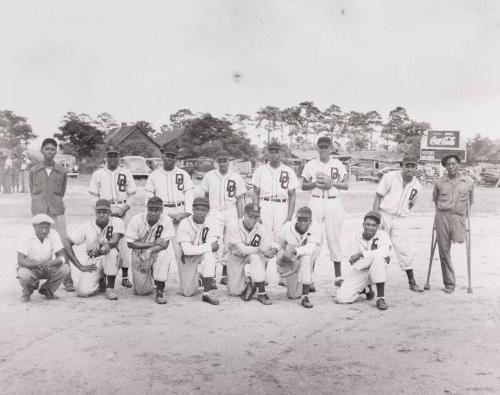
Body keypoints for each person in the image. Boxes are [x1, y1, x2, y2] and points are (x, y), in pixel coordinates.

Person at [301, 136, 349, 288]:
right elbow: (303, 186)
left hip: (333, 201)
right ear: (317, 148)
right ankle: (310, 277)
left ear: (330, 149)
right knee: (314, 237)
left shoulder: (338, 164)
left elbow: (346, 185)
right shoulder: (310, 164)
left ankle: (338, 276)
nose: (323, 150)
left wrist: (331, 183)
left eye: (326, 147)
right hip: (316, 200)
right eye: (321, 147)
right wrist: (316, 183)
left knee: (333, 236)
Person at [29, 138, 75, 291]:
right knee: (36, 244)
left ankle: (68, 280)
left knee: (63, 244)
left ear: (56, 151)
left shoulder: (61, 170)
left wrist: (53, 204)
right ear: (42, 150)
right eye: (47, 148)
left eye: (52, 149)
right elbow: (32, 191)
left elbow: (62, 192)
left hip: (57, 212)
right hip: (39, 212)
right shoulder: (34, 170)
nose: (50, 151)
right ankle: (33, 278)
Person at [88, 145, 138, 289]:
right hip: (105, 209)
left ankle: (125, 275)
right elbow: (92, 195)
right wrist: (103, 210)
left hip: (122, 208)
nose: (112, 158)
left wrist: (125, 207)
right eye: (110, 155)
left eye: (115, 155)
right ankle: (102, 276)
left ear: (119, 157)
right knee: (103, 240)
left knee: (123, 243)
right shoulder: (98, 173)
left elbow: (133, 193)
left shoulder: (126, 172)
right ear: (106, 157)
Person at [372, 153, 423, 292]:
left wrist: (402, 211)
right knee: (379, 247)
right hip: (385, 215)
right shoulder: (390, 177)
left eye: (413, 166)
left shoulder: (417, 186)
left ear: (416, 168)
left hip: (401, 219)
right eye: (407, 166)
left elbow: (411, 204)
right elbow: (378, 196)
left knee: (403, 249)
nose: (410, 169)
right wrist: (374, 216)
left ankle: (411, 281)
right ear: (402, 166)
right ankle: (371, 282)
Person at [251, 141, 298, 286]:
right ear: (268, 153)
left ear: (281, 153)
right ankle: (262, 275)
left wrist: (289, 217)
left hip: (281, 205)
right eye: (271, 151)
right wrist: (256, 211)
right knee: (264, 237)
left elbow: (292, 195)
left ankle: (282, 274)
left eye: (276, 151)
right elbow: (255, 192)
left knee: (282, 239)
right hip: (265, 204)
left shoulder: (288, 170)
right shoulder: (260, 170)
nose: (274, 154)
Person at [201, 149, 246, 286]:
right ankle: (212, 275)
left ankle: (226, 274)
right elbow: (206, 197)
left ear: (229, 161)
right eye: (219, 161)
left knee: (230, 241)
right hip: (214, 210)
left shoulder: (236, 177)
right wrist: (206, 213)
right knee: (213, 240)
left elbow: (239, 200)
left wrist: (240, 219)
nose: (222, 163)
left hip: (230, 209)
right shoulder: (209, 176)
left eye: (225, 160)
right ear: (216, 162)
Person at [65, 200, 125, 300]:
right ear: (95, 212)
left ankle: (110, 288)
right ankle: (101, 279)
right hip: (94, 259)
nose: (102, 215)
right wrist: (79, 265)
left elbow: (115, 240)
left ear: (110, 212)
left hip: (110, 256)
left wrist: (105, 244)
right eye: (99, 212)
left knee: (112, 252)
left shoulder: (117, 221)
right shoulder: (87, 226)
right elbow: (67, 243)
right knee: (82, 292)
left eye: (105, 212)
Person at [144, 145, 193, 265]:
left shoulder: (183, 173)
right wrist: (155, 215)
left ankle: (186, 279)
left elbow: (189, 194)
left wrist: (186, 213)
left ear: (176, 159)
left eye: (173, 157)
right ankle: (157, 279)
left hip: (180, 211)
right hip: (161, 212)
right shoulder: (154, 175)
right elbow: (148, 198)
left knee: (181, 248)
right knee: (158, 246)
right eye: (167, 156)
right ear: (162, 157)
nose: (170, 159)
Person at [432, 153, 474, 294]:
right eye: (448, 164)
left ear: (458, 165)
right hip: (442, 217)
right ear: (445, 167)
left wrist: (462, 216)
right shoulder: (439, 182)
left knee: (460, 243)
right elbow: (435, 200)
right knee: (444, 251)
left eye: (453, 163)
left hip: (458, 218)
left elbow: (471, 202)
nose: (451, 166)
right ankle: (449, 283)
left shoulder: (468, 182)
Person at [224, 203, 278, 305]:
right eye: (250, 216)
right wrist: (261, 250)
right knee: (234, 291)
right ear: (244, 214)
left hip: (253, 257)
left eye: (256, 217)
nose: (253, 220)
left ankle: (262, 292)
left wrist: (272, 251)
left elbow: (267, 247)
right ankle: (250, 282)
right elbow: (243, 250)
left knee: (256, 256)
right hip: (236, 256)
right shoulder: (233, 226)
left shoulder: (261, 229)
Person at [336, 211, 391, 310]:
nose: (370, 227)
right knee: (341, 298)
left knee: (378, 260)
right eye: (368, 224)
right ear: (363, 224)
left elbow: (384, 252)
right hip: (360, 272)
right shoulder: (355, 238)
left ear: (378, 226)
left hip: (377, 271)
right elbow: (356, 265)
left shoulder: (383, 235)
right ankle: (365, 289)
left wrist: (362, 254)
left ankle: (380, 298)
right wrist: (373, 256)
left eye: (374, 225)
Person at [125, 197, 175, 304]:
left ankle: (160, 291)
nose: (153, 213)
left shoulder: (166, 220)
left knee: (164, 256)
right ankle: (151, 277)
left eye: (156, 210)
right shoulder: (136, 219)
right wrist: (152, 244)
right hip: (139, 252)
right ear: (147, 208)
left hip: (156, 251)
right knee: (141, 291)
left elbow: (165, 245)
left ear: (162, 210)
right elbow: (130, 243)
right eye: (151, 209)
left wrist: (149, 251)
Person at [16, 214, 70, 302]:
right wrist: (38, 264)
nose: (44, 231)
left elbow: (62, 256)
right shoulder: (25, 235)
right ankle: (27, 292)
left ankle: (47, 289)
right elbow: (20, 261)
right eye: (41, 227)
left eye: (47, 227)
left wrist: (51, 263)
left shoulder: (54, 233)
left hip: (47, 266)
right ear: (34, 226)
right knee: (23, 274)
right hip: (30, 267)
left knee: (65, 268)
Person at [177, 197, 221, 305]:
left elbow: (214, 246)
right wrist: (208, 247)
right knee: (188, 292)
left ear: (208, 211)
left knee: (209, 256)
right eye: (197, 209)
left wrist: (208, 248)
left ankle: (207, 293)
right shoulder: (184, 223)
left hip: (201, 253)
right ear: (192, 209)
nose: (200, 212)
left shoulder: (213, 222)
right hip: (187, 256)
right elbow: (186, 250)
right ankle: (199, 278)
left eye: (203, 210)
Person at [276, 207, 321, 308]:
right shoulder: (288, 227)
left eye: (305, 219)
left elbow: (310, 247)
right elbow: (279, 243)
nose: (302, 222)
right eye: (300, 219)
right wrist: (277, 252)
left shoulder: (316, 227)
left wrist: (294, 251)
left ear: (310, 220)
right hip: (291, 260)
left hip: (305, 257)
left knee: (306, 257)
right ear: (296, 219)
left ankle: (305, 296)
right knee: (293, 295)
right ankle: (295, 277)